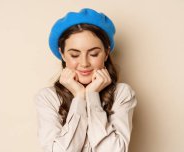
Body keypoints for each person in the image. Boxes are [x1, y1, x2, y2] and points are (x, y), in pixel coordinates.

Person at [34, 8, 137, 152]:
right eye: (75, 55)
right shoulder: (48, 98)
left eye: (94, 54)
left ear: (106, 53)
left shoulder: (122, 94)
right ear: (62, 54)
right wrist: (80, 97)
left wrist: (92, 96)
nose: (84, 63)